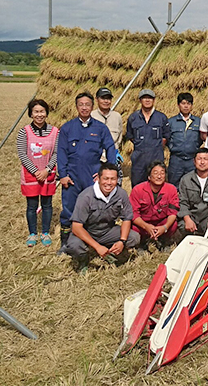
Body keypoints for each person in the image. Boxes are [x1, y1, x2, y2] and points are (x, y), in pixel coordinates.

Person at [57, 91, 117, 251]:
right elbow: (61, 152)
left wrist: (107, 173)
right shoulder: (67, 128)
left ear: (92, 106)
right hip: (72, 176)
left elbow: (111, 149)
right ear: (76, 107)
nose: (84, 108)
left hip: (92, 176)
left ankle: (92, 239)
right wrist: (62, 175)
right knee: (69, 209)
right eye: (81, 105)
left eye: (87, 105)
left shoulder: (100, 128)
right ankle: (66, 243)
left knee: (94, 208)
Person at [65, 163, 141, 275]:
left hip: (107, 230)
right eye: (105, 179)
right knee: (74, 245)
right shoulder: (86, 196)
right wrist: (97, 246)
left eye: (113, 179)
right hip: (88, 231)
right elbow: (76, 227)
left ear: (118, 180)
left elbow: (126, 218)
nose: (109, 183)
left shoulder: (121, 194)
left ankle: (112, 253)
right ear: (98, 179)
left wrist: (122, 241)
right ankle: (83, 260)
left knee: (134, 237)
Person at [16, 99, 59, 247]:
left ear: (46, 113)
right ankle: (32, 233)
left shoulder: (55, 132)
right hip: (31, 175)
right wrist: (36, 171)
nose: (39, 115)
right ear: (31, 114)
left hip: (48, 174)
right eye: (36, 112)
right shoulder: (24, 132)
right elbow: (22, 154)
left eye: (42, 111)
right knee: (32, 206)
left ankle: (45, 232)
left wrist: (46, 170)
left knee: (47, 205)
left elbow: (56, 153)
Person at [175, 147, 208, 241]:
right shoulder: (186, 179)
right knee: (182, 227)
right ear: (194, 162)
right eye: (199, 159)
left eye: (205, 159)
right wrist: (187, 219)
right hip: (192, 216)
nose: (202, 162)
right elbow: (182, 202)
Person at [129, 160, 180, 251]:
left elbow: (173, 213)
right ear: (149, 176)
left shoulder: (171, 189)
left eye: (162, 173)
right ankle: (142, 243)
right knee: (132, 226)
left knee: (173, 224)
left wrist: (164, 227)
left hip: (161, 222)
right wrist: (146, 226)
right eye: (155, 173)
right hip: (143, 223)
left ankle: (164, 241)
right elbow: (134, 214)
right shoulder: (138, 190)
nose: (159, 176)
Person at [125, 89, 171, 187]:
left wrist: (155, 146)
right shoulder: (133, 118)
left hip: (156, 159)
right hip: (139, 161)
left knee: (157, 187)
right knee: (138, 187)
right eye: (144, 98)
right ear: (140, 100)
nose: (147, 100)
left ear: (154, 100)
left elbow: (165, 136)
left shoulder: (161, 117)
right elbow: (131, 136)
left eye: (150, 98)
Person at [167, 93, 203, 188]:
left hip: (192, 160)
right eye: (183, 103)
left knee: (192, 186)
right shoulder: (171, 122)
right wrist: (173, 147)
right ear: (178, 105)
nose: (186, 106)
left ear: (192, 106)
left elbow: (201, 139)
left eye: (188, 103)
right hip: (176, 160)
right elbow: (167, 138)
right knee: (174, 187)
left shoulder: (198, 122)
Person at [91, 87, 125, 185]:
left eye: (108, 98)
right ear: (97, 99)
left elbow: (119, 136)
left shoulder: (117, 116)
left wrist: (115, 151)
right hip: (96, 159)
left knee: (114, 186)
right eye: (103, 98)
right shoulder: (91, 116)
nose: (106, 101)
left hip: (112, 159)